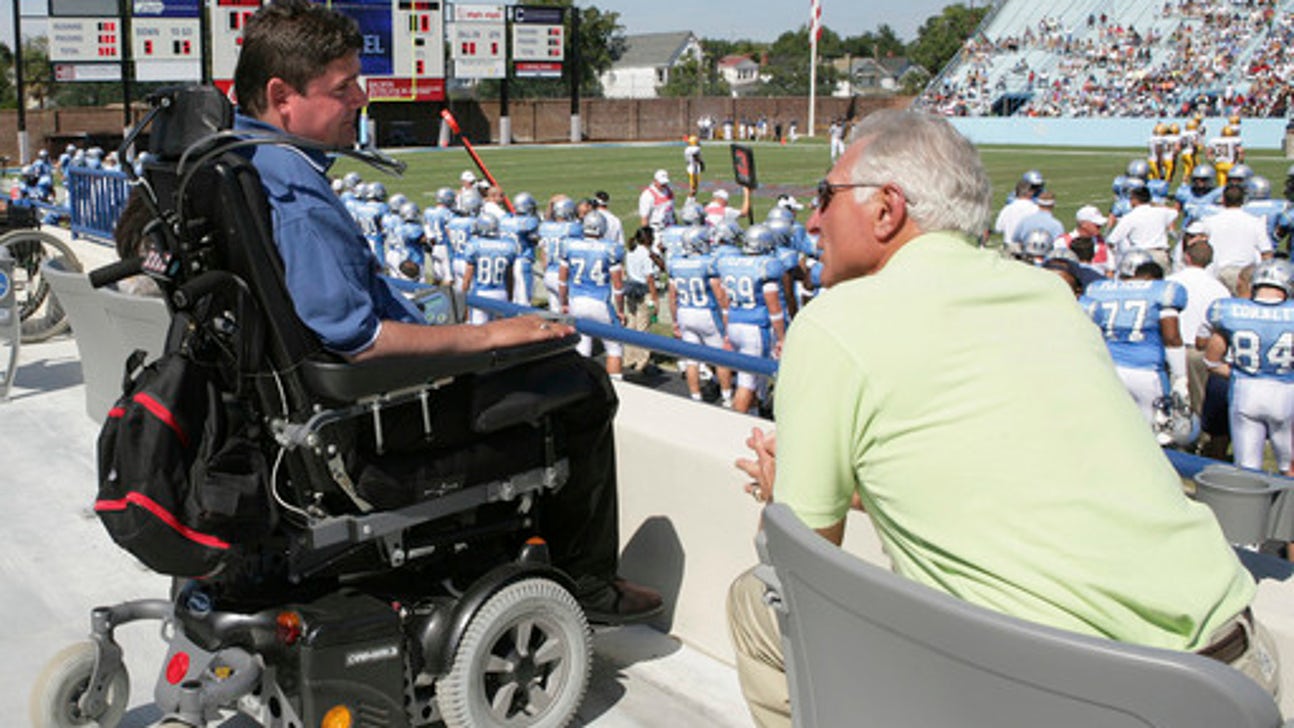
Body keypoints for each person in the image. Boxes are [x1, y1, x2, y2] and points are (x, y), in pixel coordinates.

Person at [726, 110, 1277, 728]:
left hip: (1080, 695)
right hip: (1235, 670)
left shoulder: (834, 323)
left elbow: (802, 570)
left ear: (887, 208)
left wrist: (786, 500)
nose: (813, 218)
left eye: (826, 196)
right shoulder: (1048, 295)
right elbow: (1016, 475)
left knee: (755, 602)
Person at [231, 0, 660, 622]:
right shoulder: (295, 193)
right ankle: (588, 581)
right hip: (360, 422)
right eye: (343, 86)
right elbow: (359, 344)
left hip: (305, 414)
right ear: (281, 95)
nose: (360, 99)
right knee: (582, 382)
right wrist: (486, 339)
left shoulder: (241, 162)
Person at [1204, 259, 1294, 474]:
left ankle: (1247, 508)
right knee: (1289, 466)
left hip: (1246, 392)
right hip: (1286, 393)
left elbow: (1211, 360)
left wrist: (1238, 373)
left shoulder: (1230, 310)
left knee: (1246, 469)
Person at [1167, 228, 1231, 419]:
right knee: (1200, 400)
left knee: (1174, 397)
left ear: (1186, 257)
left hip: (1172, 347)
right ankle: (1201, 439)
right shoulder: (1219, 289)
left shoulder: (1170, 281)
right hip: (1200, 350)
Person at [559, 211, 627, 377]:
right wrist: (620, 310)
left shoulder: (570, 245)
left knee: (582, 345)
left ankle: (581, 386)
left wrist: (564, 303)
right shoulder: (610, 248)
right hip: (600, 302)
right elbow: (618, 286)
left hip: (576, 301)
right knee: (614, 347)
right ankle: (618, 388)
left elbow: (562, 281)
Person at [1202, 183, 1272, 294]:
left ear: (1223, 200)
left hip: (1216, 273)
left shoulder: (1209, 221)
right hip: (1243, 275)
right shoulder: (1255, 222)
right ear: (1243, 201)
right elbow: (1266, 253)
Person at [1106, 185, 1177, 271]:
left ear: (1135, 200)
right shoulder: (1161, 212)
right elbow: (1174, 212)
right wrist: (1155, 204)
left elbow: (1112, 239)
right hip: (1160, 254)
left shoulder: (1129, 217)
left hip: (1140, 257)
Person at [622, 226, 659, 373]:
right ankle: (642, 362)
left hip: (631, 290)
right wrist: (655, 299)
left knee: (631, 324)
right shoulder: (646, 255)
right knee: (643, 327)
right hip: (644, 293)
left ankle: (629, 358)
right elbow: (649, 278)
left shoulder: (631, 251)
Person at [639, 169, 675, 239]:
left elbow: (672, 212)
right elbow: (644, 218)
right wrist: (647, 237)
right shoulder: (647, 195)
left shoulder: (669, 191)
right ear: (655, 181)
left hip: (670, 229)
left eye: (665, 183)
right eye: (661, 183)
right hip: (656, 231)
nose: (664, 185)